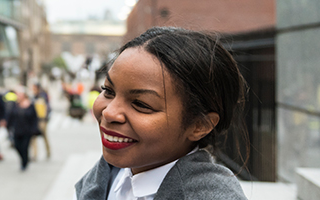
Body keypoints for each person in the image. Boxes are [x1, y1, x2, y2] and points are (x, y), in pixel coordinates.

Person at [75, 27, 248, 199]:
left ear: (200, 125)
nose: (109, 113)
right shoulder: (107, 175)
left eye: (140, 104)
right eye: (108, 91)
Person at [5, 88, 39, 171]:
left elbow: (35, 118)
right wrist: (8, 125)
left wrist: (34, 129)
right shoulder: (15, 105)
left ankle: (24, 162)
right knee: (17, 146)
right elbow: (10, 116)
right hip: (17, 129)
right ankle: (24, 159)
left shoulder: (30, 105)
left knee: (25, 147)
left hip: (27, 130)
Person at [30, 83, 51, 160]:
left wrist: (46, 118)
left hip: (42, 120)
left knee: (44, 136)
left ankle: (48, 152)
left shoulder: (43, 96)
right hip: (35, 119)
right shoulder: (33, 97)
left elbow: (47, 107)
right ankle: (34, 154)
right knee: (33, 137)